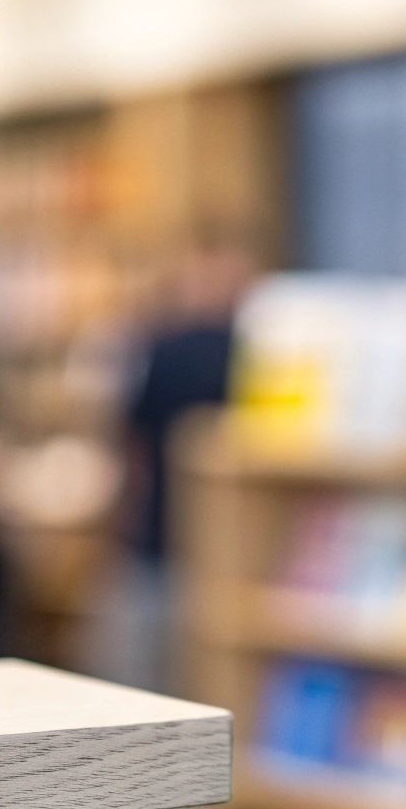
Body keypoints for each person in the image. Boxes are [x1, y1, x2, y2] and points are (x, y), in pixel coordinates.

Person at [83, 232, 253, 692]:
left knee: (140, 677)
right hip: (236, 547)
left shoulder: (159, 346)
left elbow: (127, 437)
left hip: (160, 536)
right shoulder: (256, 351)